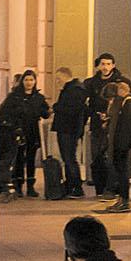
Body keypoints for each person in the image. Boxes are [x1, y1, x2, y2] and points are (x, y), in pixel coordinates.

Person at [0, 70, 51, 198]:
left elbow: (45, 113)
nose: (29, 83)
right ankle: (18, 184)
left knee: (31, 158)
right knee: (19, 158)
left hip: (32, 131)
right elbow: (3, 111)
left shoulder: (38, 98)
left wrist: (48, 111)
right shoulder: (14, 96)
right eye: (26, 80)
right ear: (22, 81)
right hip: (18, 131)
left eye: (31, 80)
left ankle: (30, 186)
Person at [82, 53, 129, 194]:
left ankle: (112, 188)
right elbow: (86, 103)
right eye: (103, 64)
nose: (105, 67)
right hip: (97, 124)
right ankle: (100, 187)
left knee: (112, 157)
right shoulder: (90, 83)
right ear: (98, 66)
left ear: (113, 65)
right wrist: (93, 114)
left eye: (108, 64)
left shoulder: (121, 82)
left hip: (114, 125)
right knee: (97, 156)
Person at [98, 81, 131, 214]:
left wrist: (123, 144)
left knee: (122, 173)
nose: (111, 102)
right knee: (120, 172)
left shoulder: (128, 103)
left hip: (121, 145)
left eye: (112, 98)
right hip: (119, 143)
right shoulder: (125, 103)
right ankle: (121, 200)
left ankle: (124, 201)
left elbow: (129, 125)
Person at [51, 67, 88, 198]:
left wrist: (56, 107)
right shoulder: (71, 89)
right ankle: (70, 184)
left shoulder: (75, 90)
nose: (57, 81)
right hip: (67, 129)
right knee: (67, 158)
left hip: (69, 129)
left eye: (58, 78)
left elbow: (71, 110)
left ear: (65, 76)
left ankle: (76, 187)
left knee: (70, 158)